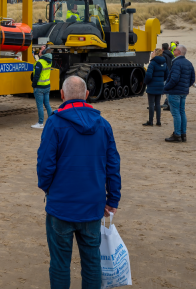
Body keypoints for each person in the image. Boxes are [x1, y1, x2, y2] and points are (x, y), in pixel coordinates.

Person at [36, 76, 121, 289]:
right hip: (92, 205)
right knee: (92, 261)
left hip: (61, 206)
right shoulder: (103, 125)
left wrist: (49, 188)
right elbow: (113, 166)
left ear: (62, 95)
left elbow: (45, 164)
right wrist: (113, 198)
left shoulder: (55, 123)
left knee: (60, 263)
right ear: (86, 95)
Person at [163, 44, 195, 142]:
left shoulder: (177, 63)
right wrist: (185, 87)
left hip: (175, 91)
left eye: (175, 49)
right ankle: (183, 134)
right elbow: (192, 79)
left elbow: (174, 79)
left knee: (176, 113)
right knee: (181, 112)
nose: (174, 51)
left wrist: (166, 88)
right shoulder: (189, 63)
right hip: (183, 91)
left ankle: (177, 134)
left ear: (179, 52)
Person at [143, 48, 167, 126]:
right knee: (158, 104)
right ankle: (158, 121)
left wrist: (146, 82)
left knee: (151, 104)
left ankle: (150, 121)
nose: (152, 53)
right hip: (160, 86)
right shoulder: (164, 63)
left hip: (152, 86)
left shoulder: (152, 63)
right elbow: (167, 75)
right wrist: (161, 81)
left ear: (156, 53)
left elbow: (149, 75)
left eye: (153, 52)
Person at [32, 45, 53, 129]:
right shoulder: (49, 61)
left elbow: (36, 76)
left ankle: (40, 123)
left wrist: (34, 85)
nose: (39, 51)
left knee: (40, 105)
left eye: (41, 51)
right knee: (47, 104)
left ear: (43, 54)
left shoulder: (39, 63)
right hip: (47, 86)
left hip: (39, 87)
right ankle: (52, 121)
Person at [160, 43, 174, 111]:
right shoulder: (172, 56)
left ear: (162, 48)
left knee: (161, 90)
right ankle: (169, 105)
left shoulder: (163, 56)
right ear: (168, 47)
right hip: (171, 74)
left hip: (164, 74)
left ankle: (156, 105)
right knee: (168, 92)